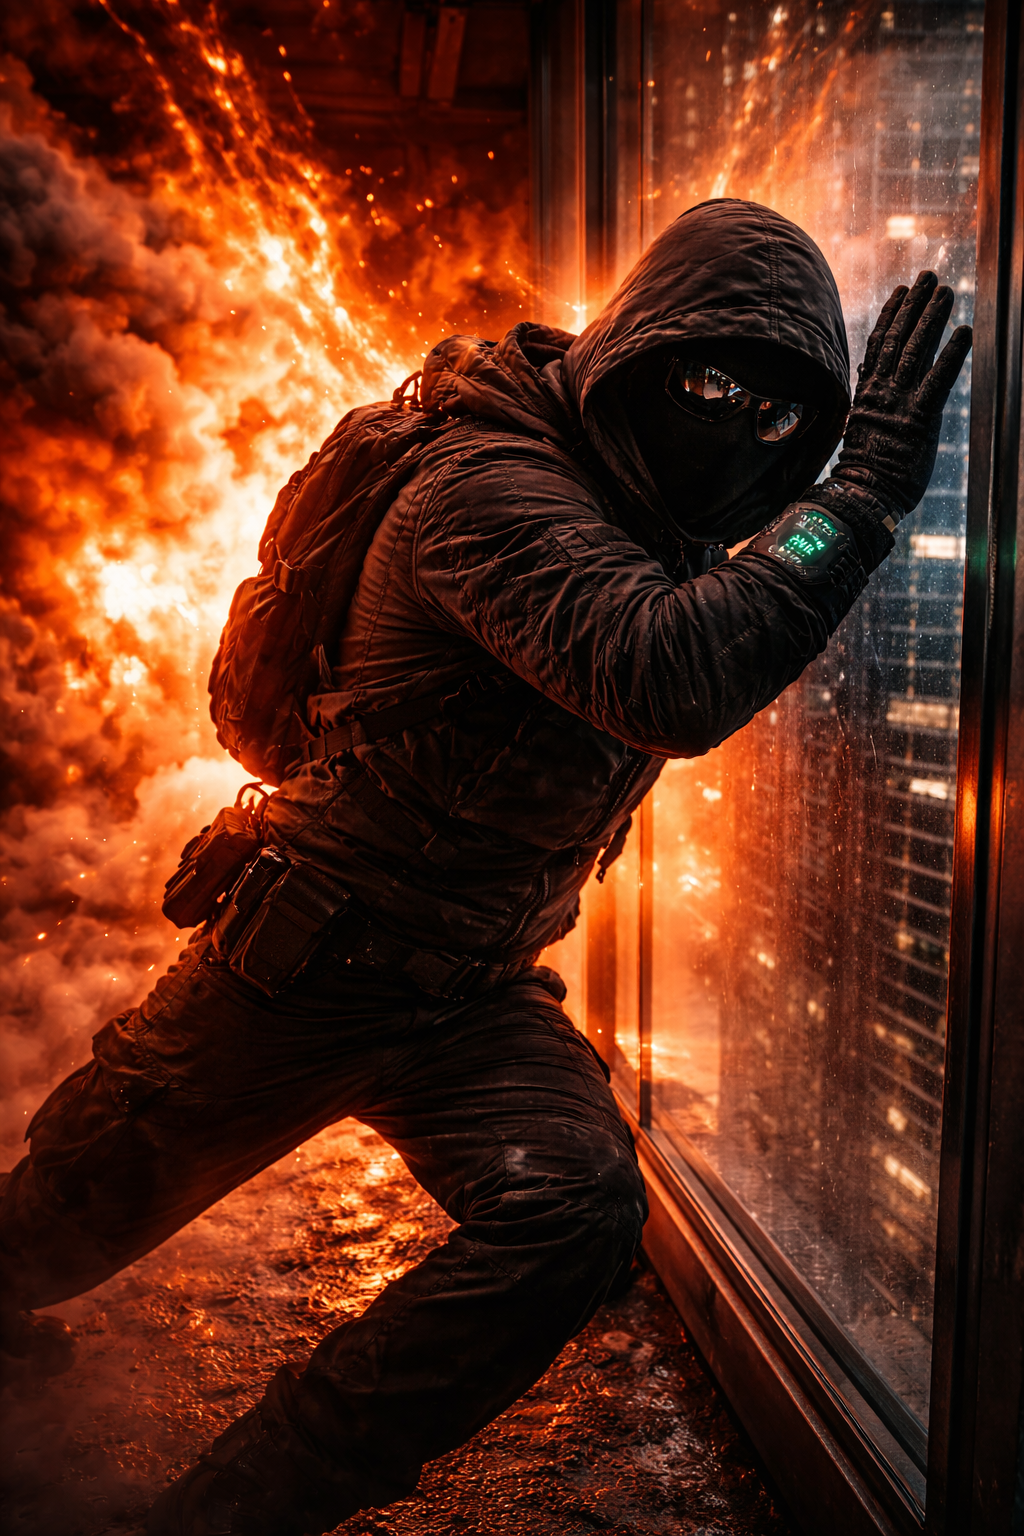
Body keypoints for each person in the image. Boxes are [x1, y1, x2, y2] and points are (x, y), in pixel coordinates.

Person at [0, 199, 971, 1535]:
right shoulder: (489, 490)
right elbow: (670, 675)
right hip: (303, 968)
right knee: (42, 1238)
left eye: (771, 417)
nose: (734, 430)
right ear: (638, 350)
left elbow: (717, 621)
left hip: (473, 991)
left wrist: (821, 504)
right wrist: (852, 498)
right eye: (706, 384)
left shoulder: (644, 507)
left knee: (574, 1214)